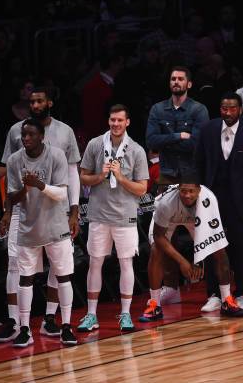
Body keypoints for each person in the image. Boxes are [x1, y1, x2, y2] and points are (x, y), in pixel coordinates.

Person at [0, 87, 81, 343]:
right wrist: (8, 211)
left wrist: (74, 210)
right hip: (25, 213)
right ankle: (18, 325)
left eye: (40, 100)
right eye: (31, 101)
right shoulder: (14, 140)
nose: (25, 138)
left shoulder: (63, 136)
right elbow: (11, 187)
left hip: (55, 212)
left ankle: (55, 321)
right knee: (18, 268)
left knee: (60, 269)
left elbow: (70, 179)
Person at [78, 104, 149, 332]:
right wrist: (101, 176)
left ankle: (126, 314)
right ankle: (91, 315)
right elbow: (83, 177)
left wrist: (120, 177)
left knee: (126, 263)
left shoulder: (136, 150)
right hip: (98, 214)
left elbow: (142, 189)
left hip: (124, 214)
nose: (115, 124)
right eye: (112, 120)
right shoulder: (95, 144)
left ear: (127, 122)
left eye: (120, 120)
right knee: (95, 262)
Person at [139, 178, 243, 321]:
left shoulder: (208, 200)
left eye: (191, 191)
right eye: (183, 191)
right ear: (178, 189)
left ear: (199, 190)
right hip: (169, 218)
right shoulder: (165, 202)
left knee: (219, 249)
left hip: (198, 218)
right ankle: (155, 305)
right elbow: (159, 236)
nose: (187, 195)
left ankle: (227, 300)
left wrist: (198, 261)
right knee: (155, 250)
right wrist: (183, 262)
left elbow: (208, 238)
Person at [195, 92, 243, 312]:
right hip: (210, 199)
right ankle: (214, 294)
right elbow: (198, 165)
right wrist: (197, 196)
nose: (228, 112)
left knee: (239, 248)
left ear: (240, 110)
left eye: (232, 108)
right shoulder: (208, 130)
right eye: (224, 108)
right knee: (211, 246)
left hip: (239, 200)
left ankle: (241, 293)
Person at [145, 66, 209, 186]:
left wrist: (164, 143)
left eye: (180, 79)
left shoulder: (199, 109)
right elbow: (151, 141)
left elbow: (196, 144)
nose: (176, 82)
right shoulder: (157, 109)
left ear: (189, 84)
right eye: (173, 79)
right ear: (169, 83)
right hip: (166, 174)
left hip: (191, 175)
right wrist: (178, 136)